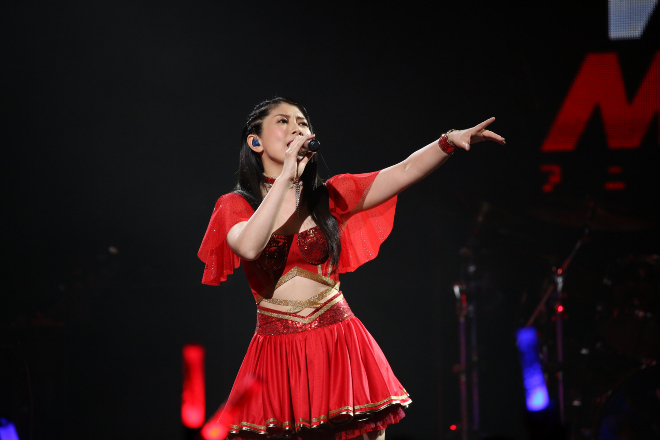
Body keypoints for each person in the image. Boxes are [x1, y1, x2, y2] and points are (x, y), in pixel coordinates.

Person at [198, 97, 505, 440]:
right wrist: (285, 178)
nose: (297, 128)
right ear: (255, 142)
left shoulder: (330, 196)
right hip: (276, 351)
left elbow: (403, 171)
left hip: (339, 342)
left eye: (302, 122)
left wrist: (448, 141)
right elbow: (249, 246)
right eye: (283, 121)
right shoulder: (235, 205)